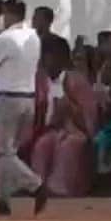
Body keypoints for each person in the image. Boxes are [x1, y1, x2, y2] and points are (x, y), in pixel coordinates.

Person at [0, 0, 48, 216]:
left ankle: (35, 185)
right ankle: (1, 199)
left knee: (3, 154)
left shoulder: (4, 39)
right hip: (28, 98)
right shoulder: (33, 37)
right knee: (8, 152)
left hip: (7, 99)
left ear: (8, 14)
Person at [30, 35, 98, 197]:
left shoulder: (77, 82)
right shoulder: (41, 82)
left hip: (77, 131)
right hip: (53, 130)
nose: (44, 61)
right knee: (42, 145)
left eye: (48, 56)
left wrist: (69, 108)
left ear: (61, 58)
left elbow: (90, 120)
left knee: (69, 144)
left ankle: (60, 188)